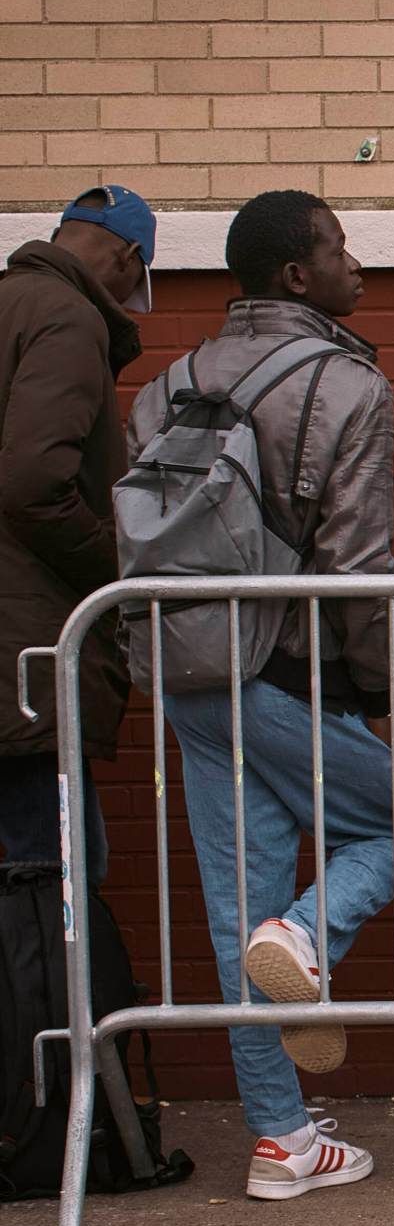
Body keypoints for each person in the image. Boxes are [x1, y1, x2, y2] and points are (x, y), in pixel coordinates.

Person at [130, 189, 394, 1199]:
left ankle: (283, 1142)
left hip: (188, 674)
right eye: (340, 247)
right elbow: (359, 561)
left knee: (232, 911)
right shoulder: (346, 384)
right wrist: (380, 683)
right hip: (292, 674)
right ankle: (303, 934)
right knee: (390, 832)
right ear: (297, 275)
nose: (357, 265)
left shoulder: (165, 383)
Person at [0, 186, 153, 873]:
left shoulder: (14, 304)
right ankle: (52, 989)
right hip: (27, 662)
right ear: (127, 257)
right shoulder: (68, 319)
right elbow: (33, 482)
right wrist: (114, 573)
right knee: (57, 876)